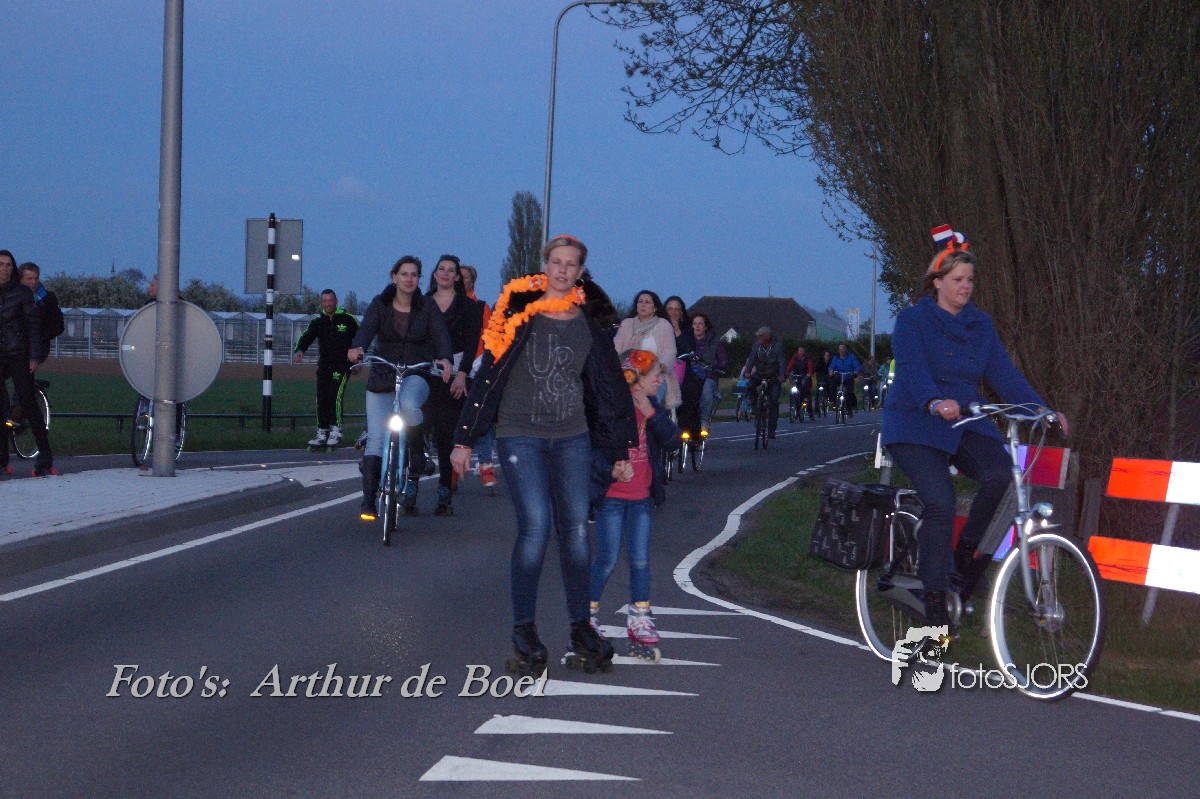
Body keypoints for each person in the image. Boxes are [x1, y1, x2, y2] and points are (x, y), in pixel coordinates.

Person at [449, 234, 637, 676]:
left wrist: (619, 450)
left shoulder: (590, 322)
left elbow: (608, 388)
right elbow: (489, 376)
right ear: (545, 265)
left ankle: (580, 628)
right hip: (520, 435)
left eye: (571, 264)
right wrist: (464, 439)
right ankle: (524, 631)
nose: (562, 270)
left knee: (575, 533)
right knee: (535, 528)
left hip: (573, 436)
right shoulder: (518, 313)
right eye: (556, 262)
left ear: (580, 271)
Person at [881, 230, 1066, 627]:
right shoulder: (913, 320)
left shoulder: (980, 325)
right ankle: (933, 600)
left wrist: (1041, 410)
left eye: (970, 280)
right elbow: (912, 369)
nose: (965, 287)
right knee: (941, 502)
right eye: (957, 280)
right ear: (936, 282)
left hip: (965, 420)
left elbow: (1003, 372)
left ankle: (965, 558)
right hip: (916, 423)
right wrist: (934, 400)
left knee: (1002, 474)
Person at [589, 349, 680, 661]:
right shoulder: (611, 410)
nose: (660, 380)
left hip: (641, 499)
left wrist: (652, 415)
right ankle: (587, 617)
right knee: (607, 559)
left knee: (640, 560)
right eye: (655, 375)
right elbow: (592, 453)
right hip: (612, 498)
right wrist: (610, 470)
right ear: (635, 378)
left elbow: (673, 441)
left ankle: (639, 618)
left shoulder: (652, 407)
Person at [348, 256, 453, 520]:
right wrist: (357, 348)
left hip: (416, 371)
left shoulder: (426, 306)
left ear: (419, 279)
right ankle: (368, 501)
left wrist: (445, 358)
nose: (409, 279)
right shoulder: (380, 303)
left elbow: (440, 333)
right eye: (404, 274)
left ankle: (416, 453)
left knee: (408, 404)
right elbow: (366, 330)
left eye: (414, 275)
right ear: (394, 276)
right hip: (383, 373)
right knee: (375, 438)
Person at [425, 254, 483, 515]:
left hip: (455, 375)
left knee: (446, 433)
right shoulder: (422, 303)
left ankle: (444, 489)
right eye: (442, 269)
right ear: (435, 274)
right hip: (426, 371)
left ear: (457, 277)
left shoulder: (469, 307)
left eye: (451, 270)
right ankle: (412, 477)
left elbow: (472, 344)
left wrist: (462, 374)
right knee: (415, 424)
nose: (446, 273)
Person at [0, 250, 53, 476]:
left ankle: (45, 455)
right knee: (2, 406)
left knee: (28, 403)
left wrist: (34, 356)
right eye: (0, 264)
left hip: (18, 354)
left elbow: (32, 326)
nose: (4, 269)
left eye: (8, 265)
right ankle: (2, 457)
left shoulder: (21, 293)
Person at [293, 289, 359, 449]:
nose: (328, 304)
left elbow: (361, 339)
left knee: (335, 395)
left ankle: (336, 431)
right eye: (325, 301)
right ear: (322, 303)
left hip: (342, 366)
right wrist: (299, 349)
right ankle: (322, 432)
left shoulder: (348, 320)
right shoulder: (317, 321)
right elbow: (307, 336)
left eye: (330, 300)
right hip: (324, 366)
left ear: (336, 301)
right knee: (322, 397)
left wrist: (358, 361)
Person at [460, 264, 498, 493]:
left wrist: (481, 364)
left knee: (481, 418)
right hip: (449, 368)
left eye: (463, 277)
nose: (459, 280)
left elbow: (489, 339)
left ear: (472, 281)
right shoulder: (441, 304)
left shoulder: (481, 307)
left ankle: (486, 466)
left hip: (474, 369)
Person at [614, 290, 679, 411]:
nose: (643, 305)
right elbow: (616, 349)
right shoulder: (627, 324)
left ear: (655, 308)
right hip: (629, 375)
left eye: (647, 302)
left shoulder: (663, 325)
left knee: (650, 400)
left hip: (655, 374)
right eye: (640, 301)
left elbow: (670, 352)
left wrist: (661, 366)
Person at [681, 313, 727, 433]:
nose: (697, 326)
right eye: (695, 323)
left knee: (706, 391)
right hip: (689, 375)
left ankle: (704, 422)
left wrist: (716, 366)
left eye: (700, 323)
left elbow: (723, 360)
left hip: (709, 375)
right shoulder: (686, 341)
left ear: (706, 327)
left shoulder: (715, 342)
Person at [741, 325, 786, 438]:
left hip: (773, 377)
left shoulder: (777, 346)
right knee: (750, 385)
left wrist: (782, 375)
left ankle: (771, 430)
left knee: (773, 401)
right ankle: (755, 407)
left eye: (761, 336)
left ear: (767, 336)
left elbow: (781, 362)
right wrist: (747, 372)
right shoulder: (756, 346)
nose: (759, 338)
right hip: (760, 375)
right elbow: (751, 359)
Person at [663, 295, 693, 392]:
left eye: (677, 309)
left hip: (680, 370)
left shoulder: (688, 329)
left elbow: (689, 349)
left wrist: (677, 332)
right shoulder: (659, 327)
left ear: (681, 312)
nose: (673, 312)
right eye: (670, 309)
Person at [829, 343, 862, 417]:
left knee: (849, 393)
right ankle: (833, 401)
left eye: (843, 349)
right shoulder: (835, 357)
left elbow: (857, 365)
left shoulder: (851, 357)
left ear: (845, 350)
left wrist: (856, 371)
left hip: (848, 376)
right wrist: (831, 371)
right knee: (832, 385)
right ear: (838, 350)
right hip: (839, 376)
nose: (841, 351)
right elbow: (832, 366)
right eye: (840, 350)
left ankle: (849, 409)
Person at [785, 345, 814, 420]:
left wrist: (809, 374)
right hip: (796, 375)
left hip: (804, 376)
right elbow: (790, 366)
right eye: (799, 351)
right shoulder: (795, 358)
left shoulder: (807, 358)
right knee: (794, 389)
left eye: (802, 351)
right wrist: (786, 372)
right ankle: (794, 406)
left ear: (804, 352)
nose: (800, 352)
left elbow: (810, 368)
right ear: (797, 352)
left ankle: (809, 411)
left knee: (805, 390)